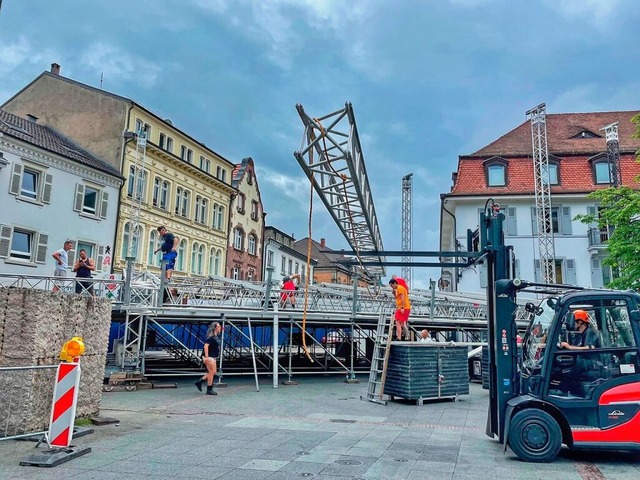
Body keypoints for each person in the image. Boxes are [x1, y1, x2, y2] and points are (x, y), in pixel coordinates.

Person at [195, 322, 222, 395]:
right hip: (209, 357)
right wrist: (207, 357)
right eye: (219, 326)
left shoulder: (216, 336)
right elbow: (206, 346)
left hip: (213, 356)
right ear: (215, 328)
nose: (220, 327)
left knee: (213, 372)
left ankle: (199, 382)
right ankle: (209, 389)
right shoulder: (211, 337)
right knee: (211, 373)